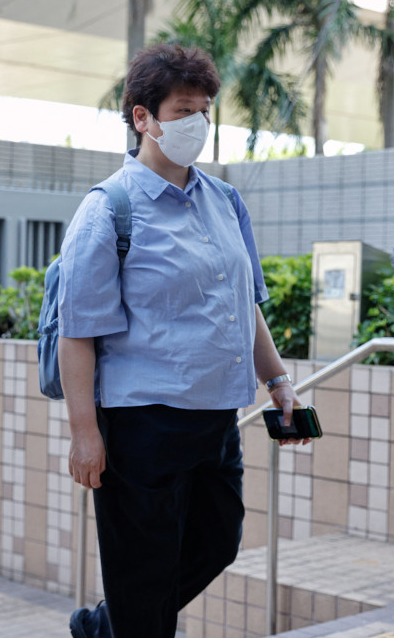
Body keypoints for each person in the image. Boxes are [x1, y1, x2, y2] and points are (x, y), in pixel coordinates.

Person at [59, 43, 308, 638]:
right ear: (142, 117)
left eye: (204, 112)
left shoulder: (224, 200)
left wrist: (277, 380)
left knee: (218, 543)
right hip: (143, 425)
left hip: (217, 419)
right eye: (182, 111)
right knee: (143, 582)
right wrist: (84, 435)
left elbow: (243, 302)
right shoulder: (108, 210)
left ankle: (105, 626)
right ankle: (119, 624)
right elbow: (77, 335)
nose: (197, 124)